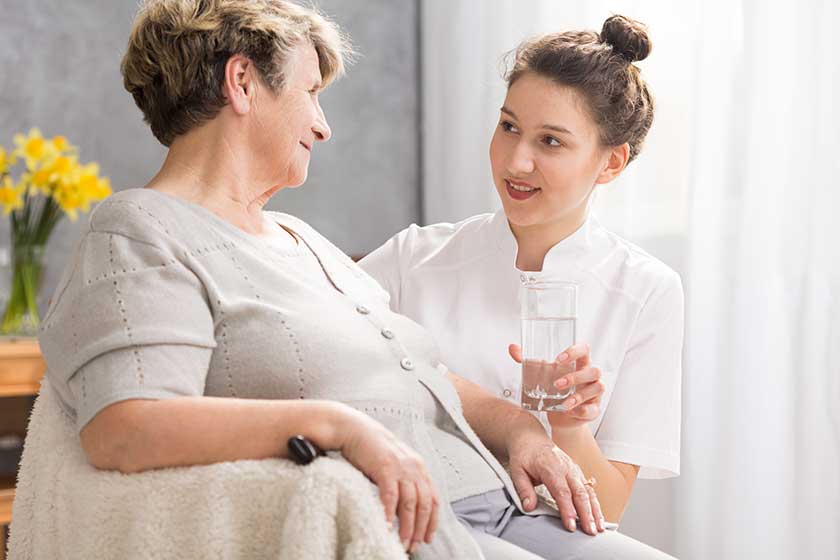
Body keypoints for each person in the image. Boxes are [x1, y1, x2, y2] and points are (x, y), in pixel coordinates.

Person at [38, 2, 674, 558]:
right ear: (242, 83)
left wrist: (520, 428)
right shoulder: (140, 229)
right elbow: (124, 428)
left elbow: (410, 370)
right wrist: (340, 426)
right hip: (410, 520)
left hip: (493, 496)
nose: (323, 124)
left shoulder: (301, 240)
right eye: (310, 92)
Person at [361, 15, 685, 529]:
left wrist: (570, 426)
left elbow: (609, 507)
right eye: (508, 126)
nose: (517, 161)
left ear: (611, 163)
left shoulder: (645, 291)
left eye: (551, 142)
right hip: (411, 519)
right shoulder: (413, 258)